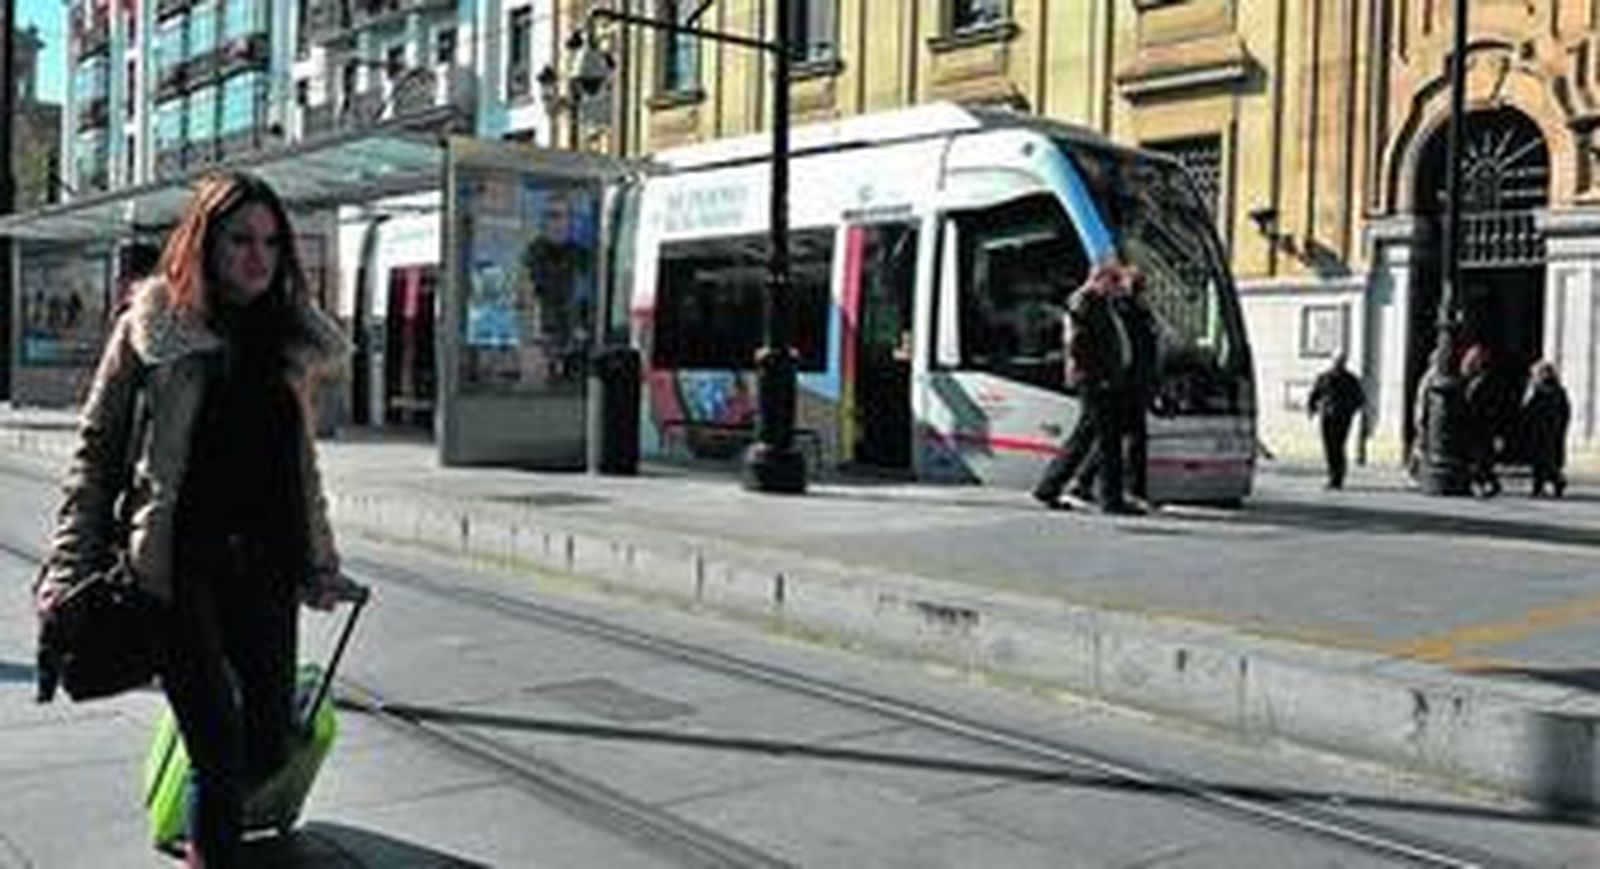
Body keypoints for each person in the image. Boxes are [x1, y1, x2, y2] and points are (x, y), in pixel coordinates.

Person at [34, 171, 354, 868]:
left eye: (272, 242)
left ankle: (203, 838)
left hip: (265, 566)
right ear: (204, 243)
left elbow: (299, 471)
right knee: (218, 743)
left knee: (268, 740)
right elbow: (95, 454)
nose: (258, 256)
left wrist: (321, 562)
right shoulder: (153, 328)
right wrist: (68, 566)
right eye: (240, 239)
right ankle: (212, 848)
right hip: (178, 567)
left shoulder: (287, 343)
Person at [1032, 262, 1138, 514]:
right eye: (1114, 283)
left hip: (1100, 378)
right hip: (1095, 380)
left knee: (1086, 436)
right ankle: (1111, 500)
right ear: (1100, 280)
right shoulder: (1085, 302)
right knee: (1107, 439)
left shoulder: (1098, 302)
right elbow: (1078, 343)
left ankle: (1049, 487)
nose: (1117, 289)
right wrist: (1096, 374)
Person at [1306, 352, 1365, 490]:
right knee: (1329, 447)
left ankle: (1337, 477)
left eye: (1341, 361)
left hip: (1342, 418)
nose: (1338, 363)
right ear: (1332, 361)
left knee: (1338, 446)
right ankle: (1332, 474)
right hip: (1327, 417)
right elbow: (1315, 394)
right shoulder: (1324, 377)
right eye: (1337, 361)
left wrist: (1349, 411)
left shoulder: (1351, 380)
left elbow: (1360, 399)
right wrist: (1312, 409)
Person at [1521, 359, 1571, 498]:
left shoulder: (1546, 390)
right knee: (1542, 462)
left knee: (1544, 462)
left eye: (1536, 373)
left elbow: (1528, 408)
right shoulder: (1555, 390)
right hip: (1543, 431)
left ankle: (1550, 483)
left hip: (1545, 431)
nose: (1533, 376)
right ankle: (1543, 486)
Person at [1460, 343, 1502, 498]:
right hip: (1475, 425)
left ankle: (1484, 484)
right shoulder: (1469, 379)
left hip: (1482, 425)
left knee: (1480, 458)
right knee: (1480, 458)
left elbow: (1490, 404)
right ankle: (1487, 483)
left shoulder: (1486, 379)